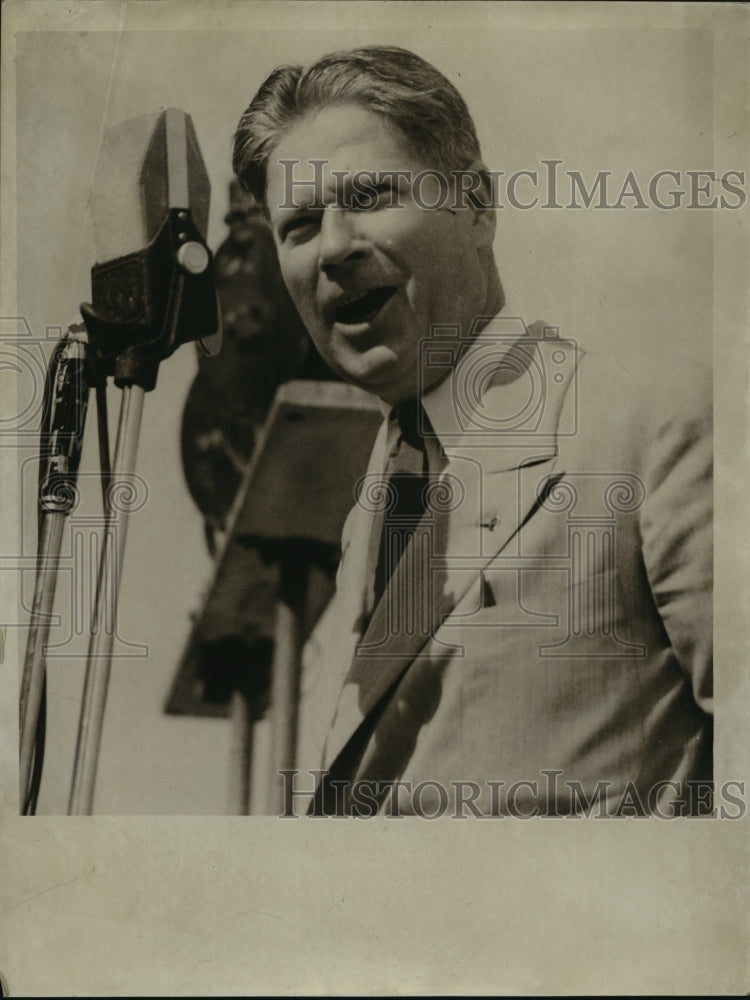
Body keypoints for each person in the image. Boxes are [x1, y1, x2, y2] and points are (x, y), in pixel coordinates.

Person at [232, 46, 713, 817]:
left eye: (370, 194)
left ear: (478, 205)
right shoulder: (370, 511)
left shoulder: (653, 423)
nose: (334, 246)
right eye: (299, 225)